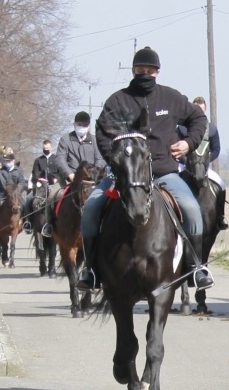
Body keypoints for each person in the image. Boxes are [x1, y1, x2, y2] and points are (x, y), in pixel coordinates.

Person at [79, 46, 214, 290]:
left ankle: (196, 267)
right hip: (124, 176)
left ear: (157, 72)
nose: (145, 74)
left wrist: (188, 143)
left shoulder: (171, 98)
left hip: (165, 172)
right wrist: (116, 162)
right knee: (90, 208)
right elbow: (102, 133)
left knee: (193, 210)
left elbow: (199, 120)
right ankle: (90, 270)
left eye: (149, 70)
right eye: (140, 70)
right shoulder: (117, 100)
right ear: (133, 71)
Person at [55, 109, 106, 182]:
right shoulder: (65, 139)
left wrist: (94, 172)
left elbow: (100, 159)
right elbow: (60, 158)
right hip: (68, 178)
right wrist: (69, 174)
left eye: (85, 125)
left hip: (91, 178)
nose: (82, 127)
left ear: (88, 125)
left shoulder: (95, 140)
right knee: (53, 192)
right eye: (79, 124)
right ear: (74, 124)